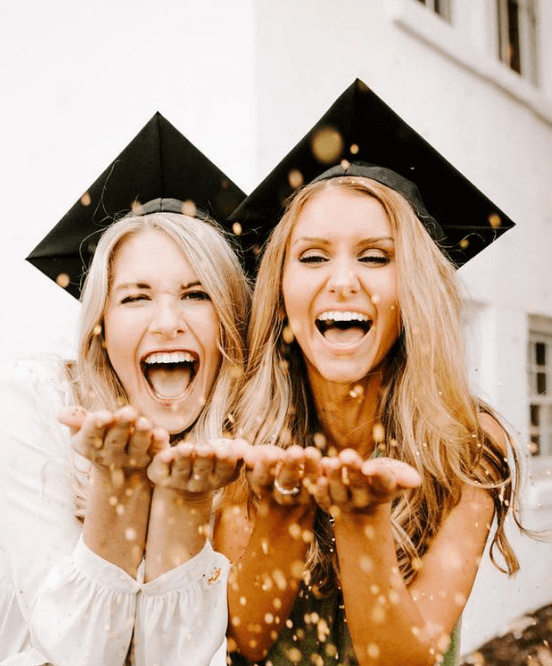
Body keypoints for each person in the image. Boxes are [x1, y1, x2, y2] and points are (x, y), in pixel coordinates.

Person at [216, 80, 530, 666]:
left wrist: (363, 520)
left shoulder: (466, 444)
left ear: (415, 291)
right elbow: (242, 645)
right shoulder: (244, 433)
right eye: (312, 256)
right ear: (280, 291)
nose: (342, 281)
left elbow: (403, 661)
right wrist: (285, 512)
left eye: (376, 256)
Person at [0, 114, 251, 666]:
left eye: (197, 294)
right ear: (101, 326)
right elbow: (77, 650)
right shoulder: (29, 401)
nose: (168, 323)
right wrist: (117, 482)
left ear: (229, 321)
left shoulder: (241, 446)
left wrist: (184, 503)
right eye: (135, 297)